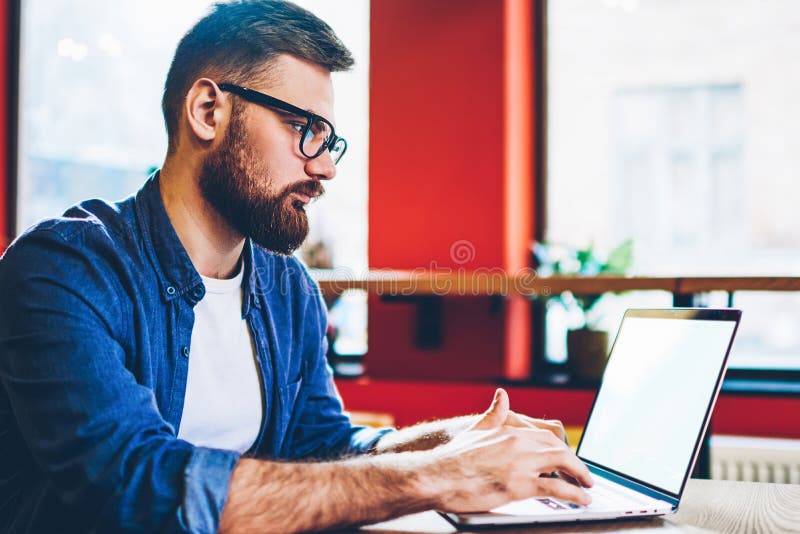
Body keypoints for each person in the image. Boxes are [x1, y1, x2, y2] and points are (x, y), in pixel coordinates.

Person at [0, 1, 593, 532]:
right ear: (209, 111)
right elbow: (137, 488)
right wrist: (439, 474)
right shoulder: (62, 272)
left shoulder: (287, 289)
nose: (325, 168)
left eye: (328, 140)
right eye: (302, 129)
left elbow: (323, 448)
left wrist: (457, 440)